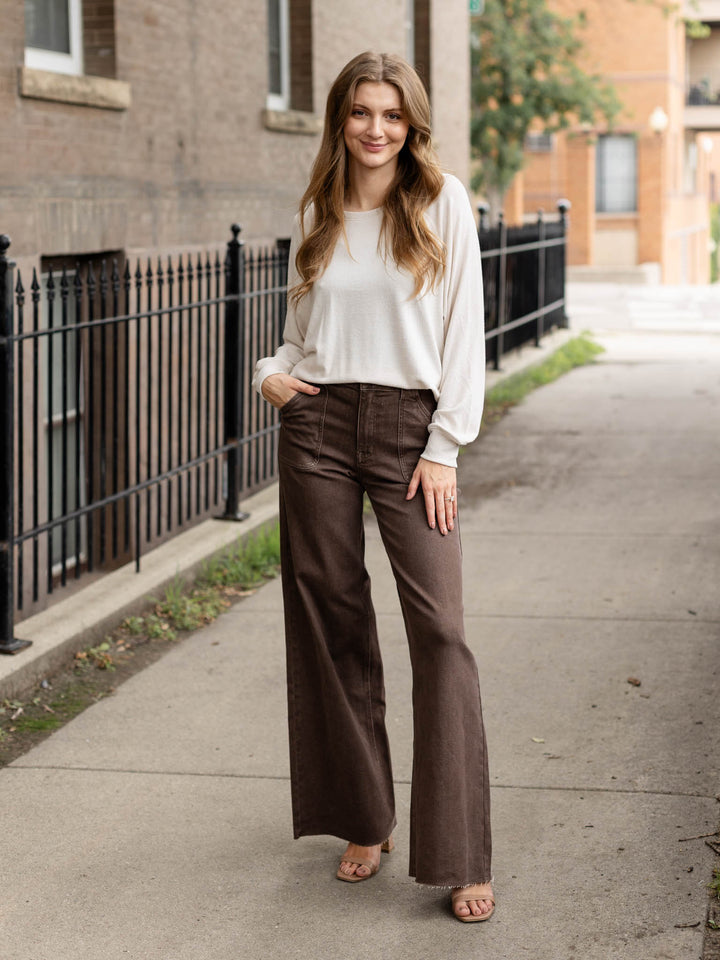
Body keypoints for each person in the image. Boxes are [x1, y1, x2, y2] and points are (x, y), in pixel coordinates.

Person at [252, 51, 493, 923]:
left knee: (441, 630)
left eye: (391, 114)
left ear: (412, 122)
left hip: (409, 431)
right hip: (316, 426)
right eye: (361, 112)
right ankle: (366, 816)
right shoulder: (318, 205)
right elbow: (297, 332)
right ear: (340, 119)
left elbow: (465, 331)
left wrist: (445, 447)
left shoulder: (441, 201)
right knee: (331, 618)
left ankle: (460, 851)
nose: (376, 128)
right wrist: (268, 373)